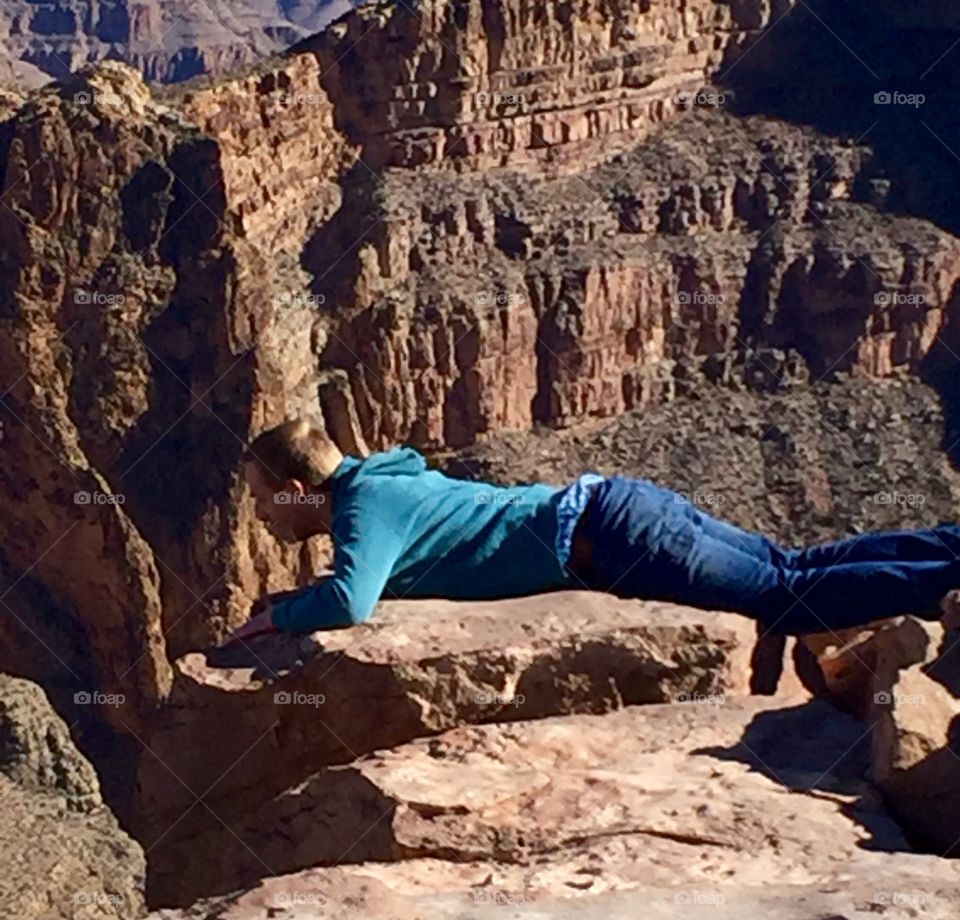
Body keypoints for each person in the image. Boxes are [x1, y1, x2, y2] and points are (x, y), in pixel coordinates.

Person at [229, 416, 960, 644]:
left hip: (613, 539)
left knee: (780, 598)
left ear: (299, 492)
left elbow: (352, 603)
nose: (261, 516)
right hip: (617, 506)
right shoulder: (381, 475)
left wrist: (275, 620)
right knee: (788, 563)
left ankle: (947, 576)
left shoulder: (363, 509)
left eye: (265, 500)